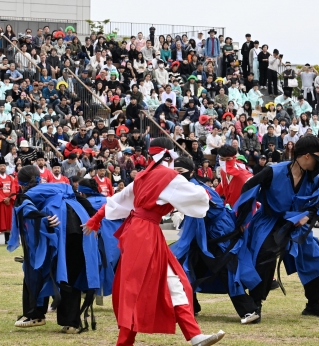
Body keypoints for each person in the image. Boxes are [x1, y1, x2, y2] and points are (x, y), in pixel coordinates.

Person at [83, 137, 225, 346]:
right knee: (140, 288)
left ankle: (194, 335)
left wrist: (95, 220)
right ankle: (129, 343)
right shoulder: (169, 176)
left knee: (167, 281)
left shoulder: (142, 176)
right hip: (146, 233)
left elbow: (117, 200)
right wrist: (206, 190)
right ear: (168, 155)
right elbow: (198, 197)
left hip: (139, 232)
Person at [225, 135, 319, 322]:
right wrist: (243, 220)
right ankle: (255, 304)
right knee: (264, 255)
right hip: (268, 221)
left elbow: (318, 204)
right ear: (307, 156)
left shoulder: (312, 179)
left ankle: (313, 303)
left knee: (316, 257)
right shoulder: (273, 171)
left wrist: (307, 216)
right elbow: (248, 187)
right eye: (318, 155)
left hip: (296, 224)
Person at [7, 165, 100, 334]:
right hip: (82, 228)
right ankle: (71, 322)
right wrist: (96, 221)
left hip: (59, 229)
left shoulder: (26, 194)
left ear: (21, 183)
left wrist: (44, 218)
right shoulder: (63, 186)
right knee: (70, 275)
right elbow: (84, 202)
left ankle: (35, 314)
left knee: (35, 268)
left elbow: (26, 208)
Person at [170, 157, 260, 322]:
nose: (177, 175)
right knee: (189, 264)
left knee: (226, 267)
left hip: (219, 231)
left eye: (180, 172)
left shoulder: (196, 188)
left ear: (191, 172)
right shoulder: (189, 187)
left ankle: (249, 310)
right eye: (174, 172)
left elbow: (200, 211)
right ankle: (189, 306)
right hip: (204, 230)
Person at [0, 157, 18, 245]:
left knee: (9, 220)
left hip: (8, 201)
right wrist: (3, 199)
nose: (3, 167)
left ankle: (7, 239)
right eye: (1, 166)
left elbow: (13, 188)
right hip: (0, 202)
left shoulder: (10, 177)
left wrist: (9, 198)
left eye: (4, 166)